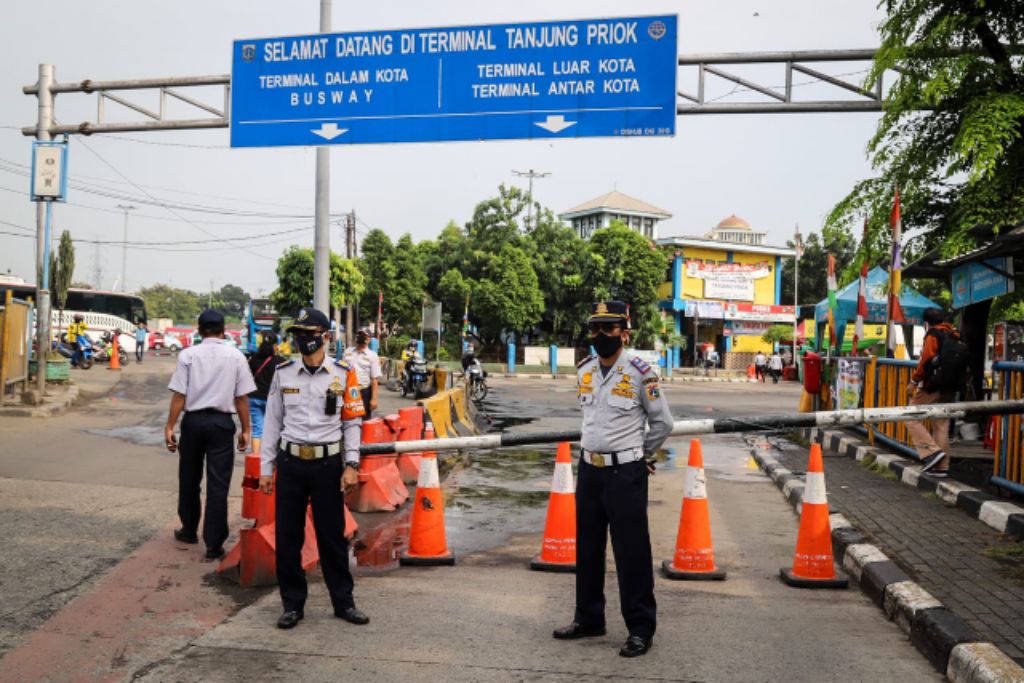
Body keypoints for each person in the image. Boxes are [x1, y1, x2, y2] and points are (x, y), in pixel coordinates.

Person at [554, 300, 673, 658]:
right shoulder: (585, 370)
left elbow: (662, 422)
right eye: (595, 328)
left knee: (631, 552)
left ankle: (640, 628)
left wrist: (641, 455)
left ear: (624, 332)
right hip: (589, 470)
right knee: (588, 548)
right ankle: (589, 618)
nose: (600, 335)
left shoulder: (641, 372)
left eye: (608, 328)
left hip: (625, 473)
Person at [259, 308, 368, 630]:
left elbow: (352, 423)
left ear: (325, 337)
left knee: (332, 537)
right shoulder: (284, 373)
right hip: (290, 464)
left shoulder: (343, 373)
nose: (303, 339)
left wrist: (351, 464)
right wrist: (266, 469)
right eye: (298, 334)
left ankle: (344, 603)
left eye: (310, 334)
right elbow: (272, 423)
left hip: (327, 466)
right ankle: (292, 605)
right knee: (288, 538)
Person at [165, 309, 255, 560]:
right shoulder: (236, 357)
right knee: (218, 485)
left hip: (193, 423)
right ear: (223, 331)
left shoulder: (188, 355)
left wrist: (170, 426)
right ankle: (214, 544)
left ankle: (189, 530)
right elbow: (242, 398)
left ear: (199, 330)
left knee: (189, 478)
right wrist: (246, 430)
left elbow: (179, 395)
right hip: (221, 425)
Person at [907, 308, 965, 477]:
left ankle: (931, 452)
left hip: (933, 385)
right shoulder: (953, 333)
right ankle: (941, 467)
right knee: (941, 423)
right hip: (951, 385)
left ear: (926, 322)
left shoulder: (933, 334)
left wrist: (914, 381)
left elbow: (925, 360)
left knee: (910, 416)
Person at [248, 337, 288, 454]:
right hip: (271, 399)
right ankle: (272, 455)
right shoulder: (280, 361)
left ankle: (256, 457)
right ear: (274, 346)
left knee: (257, 429)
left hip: (254, 397)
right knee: (275, 428)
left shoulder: (253, 359)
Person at [344, 330, 382, 418]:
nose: (360, 337)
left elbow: (374, 379)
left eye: (364, 336)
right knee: (347, 417)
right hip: (348, 390)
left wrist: (374, 399)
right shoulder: (347, 352)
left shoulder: (372, 356)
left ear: (369, 339)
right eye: (359, 335)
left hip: (363, 392)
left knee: (363, 419)